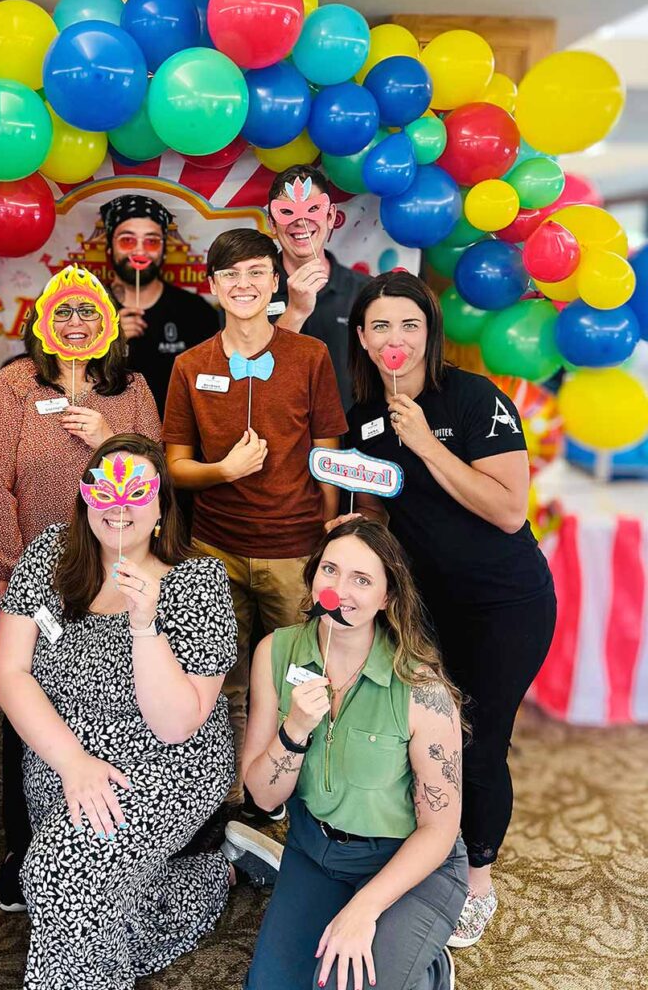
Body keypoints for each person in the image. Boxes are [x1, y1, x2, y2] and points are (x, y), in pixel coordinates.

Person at [337, 271, 556, 947]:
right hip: (424, 608)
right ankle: (428, 852)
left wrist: (428, 443)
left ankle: (477, 881)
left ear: (429, 333)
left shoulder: (474, 397)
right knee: (424, 738)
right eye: (380, 326)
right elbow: (375, 508)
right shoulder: (366, 418)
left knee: (479, 741)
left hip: (505, 605)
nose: (394, 338)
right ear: (363, 340)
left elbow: (506, 508)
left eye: (409, 324)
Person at [0, 434, 237, 990]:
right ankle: (199, 883)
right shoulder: (51, 556)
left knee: (58, 871)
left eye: (137, 492)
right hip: (62, 754)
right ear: (85, 499)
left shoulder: (199, 581)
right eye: (106, 490)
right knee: (79, 881)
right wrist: (73, 762)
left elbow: (176, 723)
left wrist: (145, 624)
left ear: (160, 506)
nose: (119, 506)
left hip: (170, 760)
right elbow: (9, 674)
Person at [0, 265, 160, 912]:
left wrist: (110, 440)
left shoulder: (129, 389)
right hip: (35, 587)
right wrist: (11, 579)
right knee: (31, 714)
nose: (77, 323)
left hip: (115, 581)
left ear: (106, 324)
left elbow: (152, 474)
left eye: (89, 312)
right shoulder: (15, 388)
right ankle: (27, 848)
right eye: (65, 312)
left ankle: (121, 840)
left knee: (114, 708)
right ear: (45, 322)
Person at [224, 518, 468, 990]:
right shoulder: (275, 652)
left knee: (346, 985)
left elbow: (440, 828)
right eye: (330, 570)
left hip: (408, 863)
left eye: (362, 579)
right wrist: (294, 730)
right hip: (315, 852)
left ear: (388, 597)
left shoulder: (422, 687)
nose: (341, 590)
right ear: (313, 576)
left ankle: (428, 969)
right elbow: (261, 795)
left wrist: (364, 909)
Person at [162, 228, 346, 818]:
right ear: (213, 286)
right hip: (213, 549)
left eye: (256, 273)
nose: (244, 285)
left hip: (294, 550)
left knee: (300, 679)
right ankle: (230, 801)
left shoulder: (309, 356)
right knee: (223, 684)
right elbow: (174, 466)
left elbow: (327, 452)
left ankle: (293, 803)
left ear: (275, 281)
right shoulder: (192, 365)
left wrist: (327, 533)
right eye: (230, 276)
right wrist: (222, 470)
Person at [100, 193, 220, 416]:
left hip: (175, 442)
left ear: (164, 249)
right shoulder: (87, 311)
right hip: (102, 441)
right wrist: (107, 343)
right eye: (127, 240)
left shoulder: (195, 312)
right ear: (109, 248)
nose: (139, 251)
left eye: (151, 241)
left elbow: (213, 389)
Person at [269, 164, 370, 411]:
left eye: (313, 209)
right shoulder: (249, 293)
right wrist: (294, 312)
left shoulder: (366, 292)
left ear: (331, 216)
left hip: (351, 441)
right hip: (277, 440)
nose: (300, 221)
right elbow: (244, 374)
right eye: (287, 212)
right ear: (272, 223)